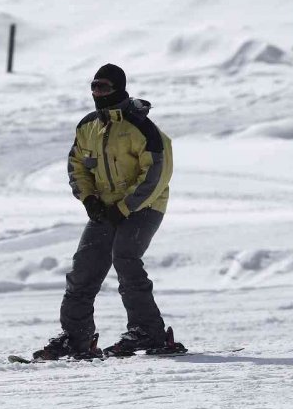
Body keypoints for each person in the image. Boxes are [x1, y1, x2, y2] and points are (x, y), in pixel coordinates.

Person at [33, 63, 183, 360]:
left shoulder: (141, 127)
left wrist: (125, 207)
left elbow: (157, 173)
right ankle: (76, 338)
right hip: (105, 208)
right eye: (93, 86)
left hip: (144, 205)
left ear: (118, 89)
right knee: (84, 268)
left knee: (125, 257)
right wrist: (89, 199)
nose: (96, 92)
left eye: (103, 87)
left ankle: (147, 331)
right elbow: (77, 165)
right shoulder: (88, 127)